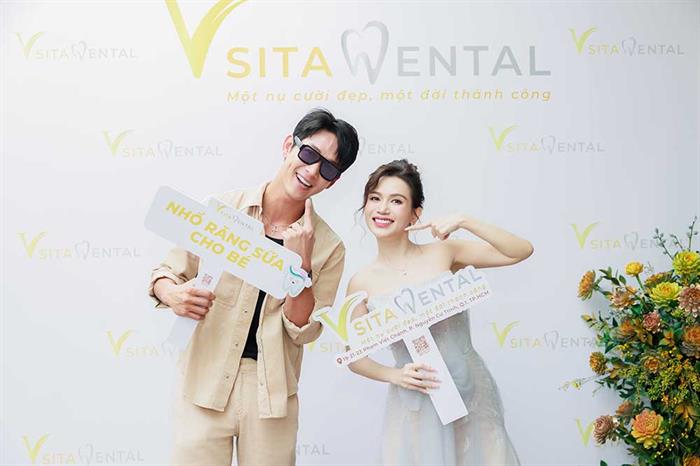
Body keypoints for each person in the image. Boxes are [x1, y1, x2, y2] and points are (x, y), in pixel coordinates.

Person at [147, 109, 359, 466]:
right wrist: (173, 295)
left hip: (271, 396)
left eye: (327, 169)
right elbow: (167, 273)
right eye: (309, 154)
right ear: (288, 146)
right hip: (203, 381)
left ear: (333, 183)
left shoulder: (328, 247)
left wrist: (301, 266)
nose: (312, 171)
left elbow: (303, 330)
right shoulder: (223, 209)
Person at [347, 159, 531, 465]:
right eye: (375, 198)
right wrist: (395, 375)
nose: (383, 209)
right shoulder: (361, 282)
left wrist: (463, 220)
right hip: (417, 401)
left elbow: (520, 251)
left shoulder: (445, 253)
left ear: (415, 213)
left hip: (471, 392)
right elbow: (354, 356)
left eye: (396, 201)